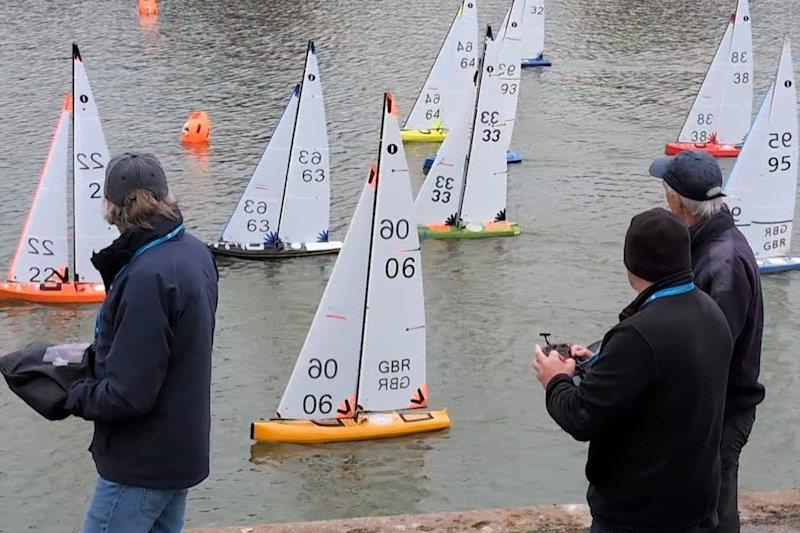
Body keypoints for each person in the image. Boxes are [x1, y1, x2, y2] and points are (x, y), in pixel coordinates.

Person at [534, 208, 733, 533]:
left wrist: (554, 379)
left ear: (631, 263)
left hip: (640, 515)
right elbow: (665, 381)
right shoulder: (712, 312)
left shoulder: (638, 335)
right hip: (696, 504)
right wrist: (598, 363)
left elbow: (581, 417)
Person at [64, 153, 219, 533]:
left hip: (142, 462)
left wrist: (72, 394)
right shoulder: (196, 252)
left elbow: (129, 394)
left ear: (111, 207)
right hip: (181, 449)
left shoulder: (147, 276)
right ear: (165, 196)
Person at [650, 150, 765, 532]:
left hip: (720, 410)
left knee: (715, 510)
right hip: (707, 407)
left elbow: (711, 350)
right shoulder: (704, 242)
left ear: (676, 200)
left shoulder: (722, 262)